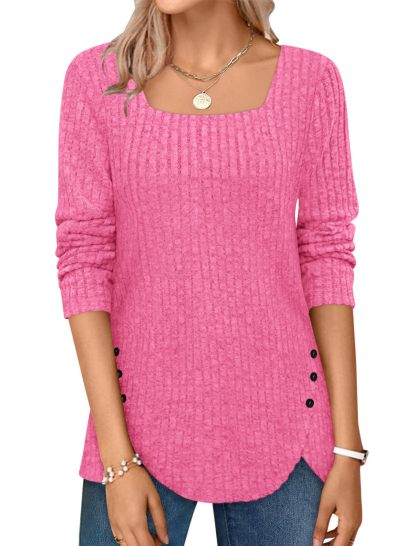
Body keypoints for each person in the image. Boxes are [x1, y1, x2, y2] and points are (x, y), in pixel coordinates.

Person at [54, 1, 368, 545]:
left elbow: (326, 257)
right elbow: (83, 258)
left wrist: (347, 448)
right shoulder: (99, 80)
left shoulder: (311, 80)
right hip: (134, 432)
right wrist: (116, 459)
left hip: (288, 430)